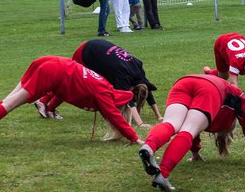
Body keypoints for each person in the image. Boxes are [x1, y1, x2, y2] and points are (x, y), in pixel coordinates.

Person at [0, 56, 140, 150]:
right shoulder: (106, 96)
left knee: (8, 100)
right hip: (53, 70)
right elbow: (115, 117)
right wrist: (135, 138)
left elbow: (70, 88)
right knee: (10, 104)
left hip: (52, 62)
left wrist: (50, 106)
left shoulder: (105, 85)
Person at [136, 73, 245, 192]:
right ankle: (163, 174)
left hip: (184, 82)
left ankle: (149, 146)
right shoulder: (238, 98)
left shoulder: (226, 101)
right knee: (189, 130)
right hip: (210, 88)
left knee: (171, 123)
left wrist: (195, 152)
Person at [35, 38, 165, 126]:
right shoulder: (123, 75)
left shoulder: (138, 68)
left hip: (96, 47)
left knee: (73, 82)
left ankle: (46, 104)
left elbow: (147, 92)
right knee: (71, 83)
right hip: (87, 52)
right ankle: (44, 103)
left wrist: (159, 116)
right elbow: (128, 101)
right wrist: (140, 123)